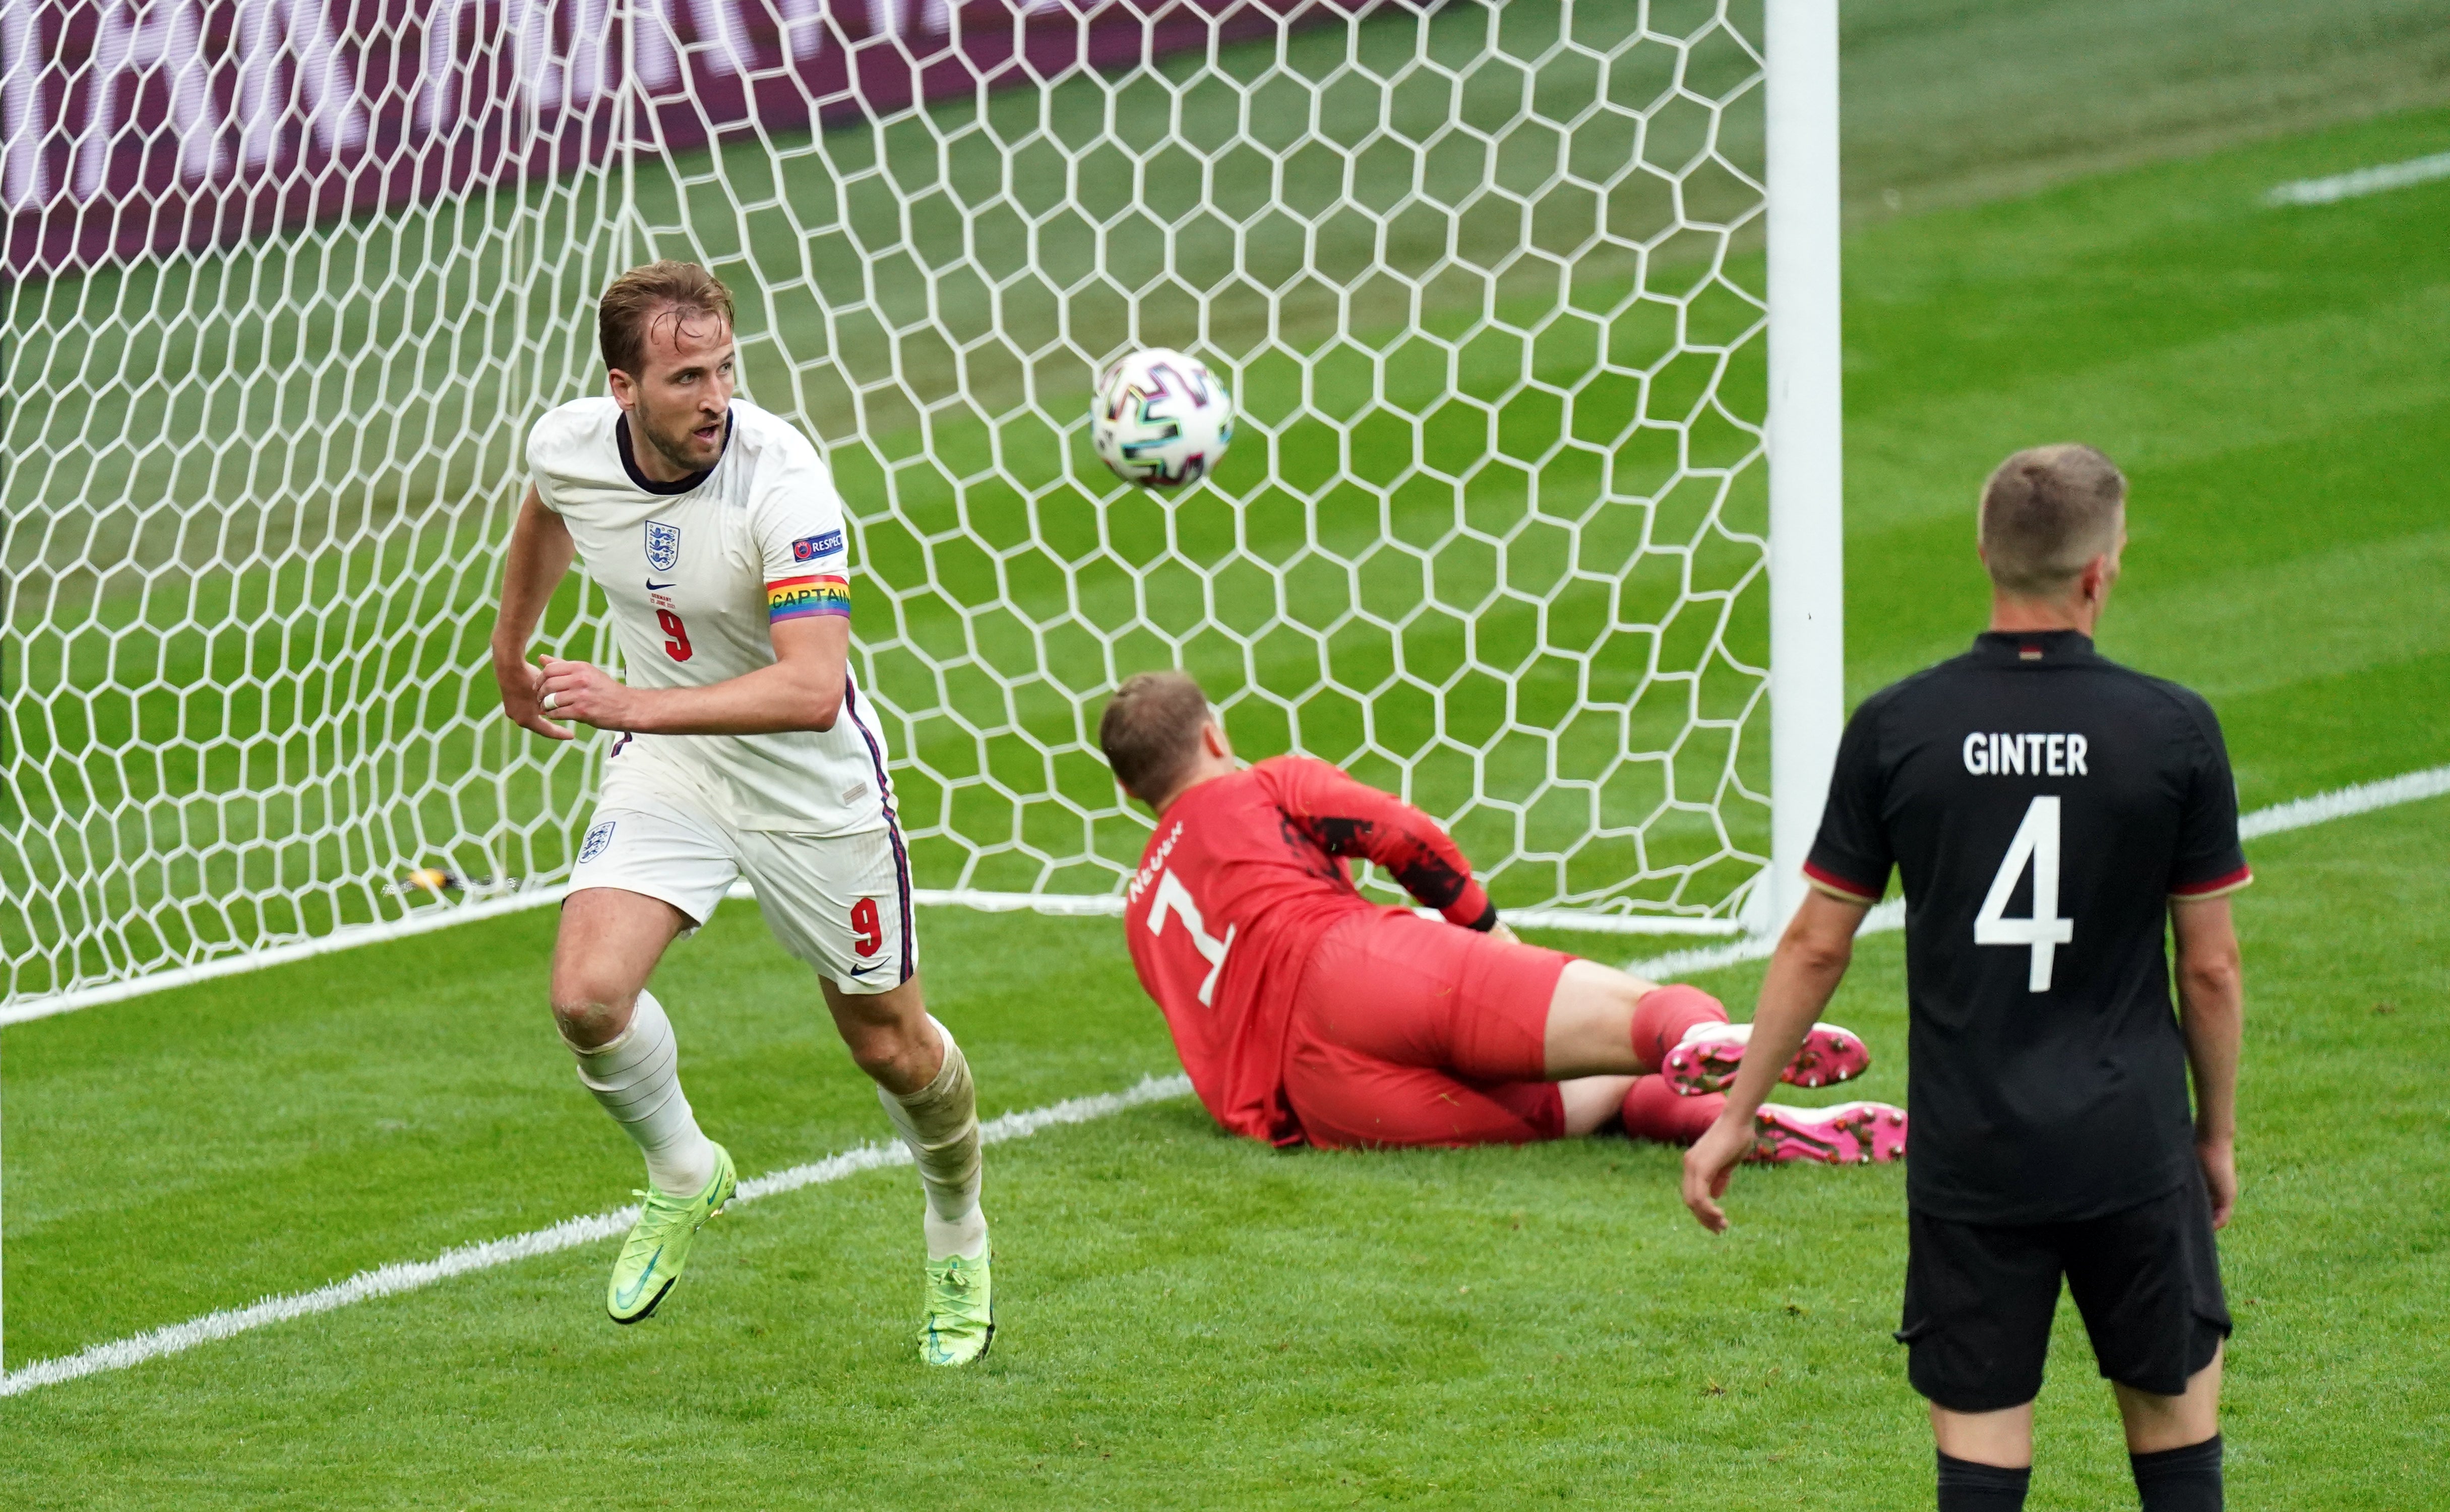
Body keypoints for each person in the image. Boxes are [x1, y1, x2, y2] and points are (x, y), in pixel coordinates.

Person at [1681, 445, 2246, 1512]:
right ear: (2101, 570)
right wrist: (2211, 1137)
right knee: (2176, 1457)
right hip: (2131, 1147)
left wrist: (1735, 1114)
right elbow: (2209, 969)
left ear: (1984, 551)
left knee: (1980, 1475)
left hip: (1974, 1157)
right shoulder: (2173, 730)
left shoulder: (1901, 728)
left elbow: (1815, 943)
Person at [489, 261, 994, 1365]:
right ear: (625, 388)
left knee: (893, 1049)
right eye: (686, 377)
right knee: (586, 997)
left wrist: (632, 701)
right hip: (673, 769)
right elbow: (547, 514)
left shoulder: (783, 482)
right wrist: (511, 649)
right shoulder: (570, 442)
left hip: (807, 784)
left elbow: (813, 686)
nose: (716, 396)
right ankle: (682, 1168)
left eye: (724, 368)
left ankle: (956, 1227)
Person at [1097, 669, 1908, 1160]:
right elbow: (1401, 834)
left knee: (1585, 1103)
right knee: (1636, 1024)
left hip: (1321, 1105)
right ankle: (1705, 1042)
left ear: (1130, 791)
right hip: (1352, 968)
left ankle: (1750, 1123)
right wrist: (1484, 928)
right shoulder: (1258, 782)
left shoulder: (1140, 916)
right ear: (1214, 734)